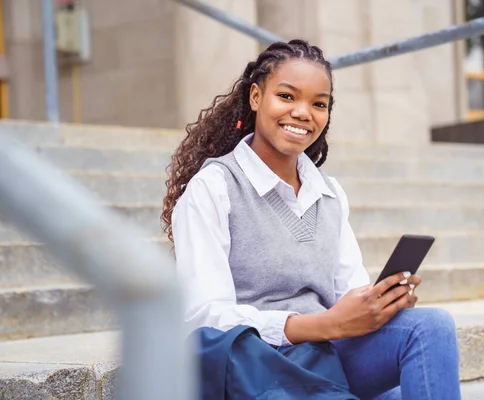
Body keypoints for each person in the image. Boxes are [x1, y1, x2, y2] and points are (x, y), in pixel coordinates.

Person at [162, 39, 461, 399]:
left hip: (327, 355)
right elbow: (204, 317)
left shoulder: (328, 192)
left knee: (430, 328)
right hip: (260, 367)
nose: (303, 113)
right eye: (287, 96)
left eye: (319, 104)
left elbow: (346, 293)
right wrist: (321, 324)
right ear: (256, 98)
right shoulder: (214, 187)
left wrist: (378, 305)